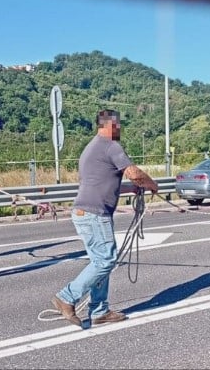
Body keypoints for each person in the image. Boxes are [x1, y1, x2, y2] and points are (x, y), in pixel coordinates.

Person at [51, 109, 159, 326]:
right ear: (110, 125)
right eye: (118, 126)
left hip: (84, 212)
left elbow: (103, 180)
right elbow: (134, 173)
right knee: (106, 260)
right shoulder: (110, 146)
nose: (120, 130)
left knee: (99, 261)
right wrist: (152, 184)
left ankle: (99, 310)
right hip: (94, 213)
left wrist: (132, 190)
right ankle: (67, 297)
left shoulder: (91, 148)